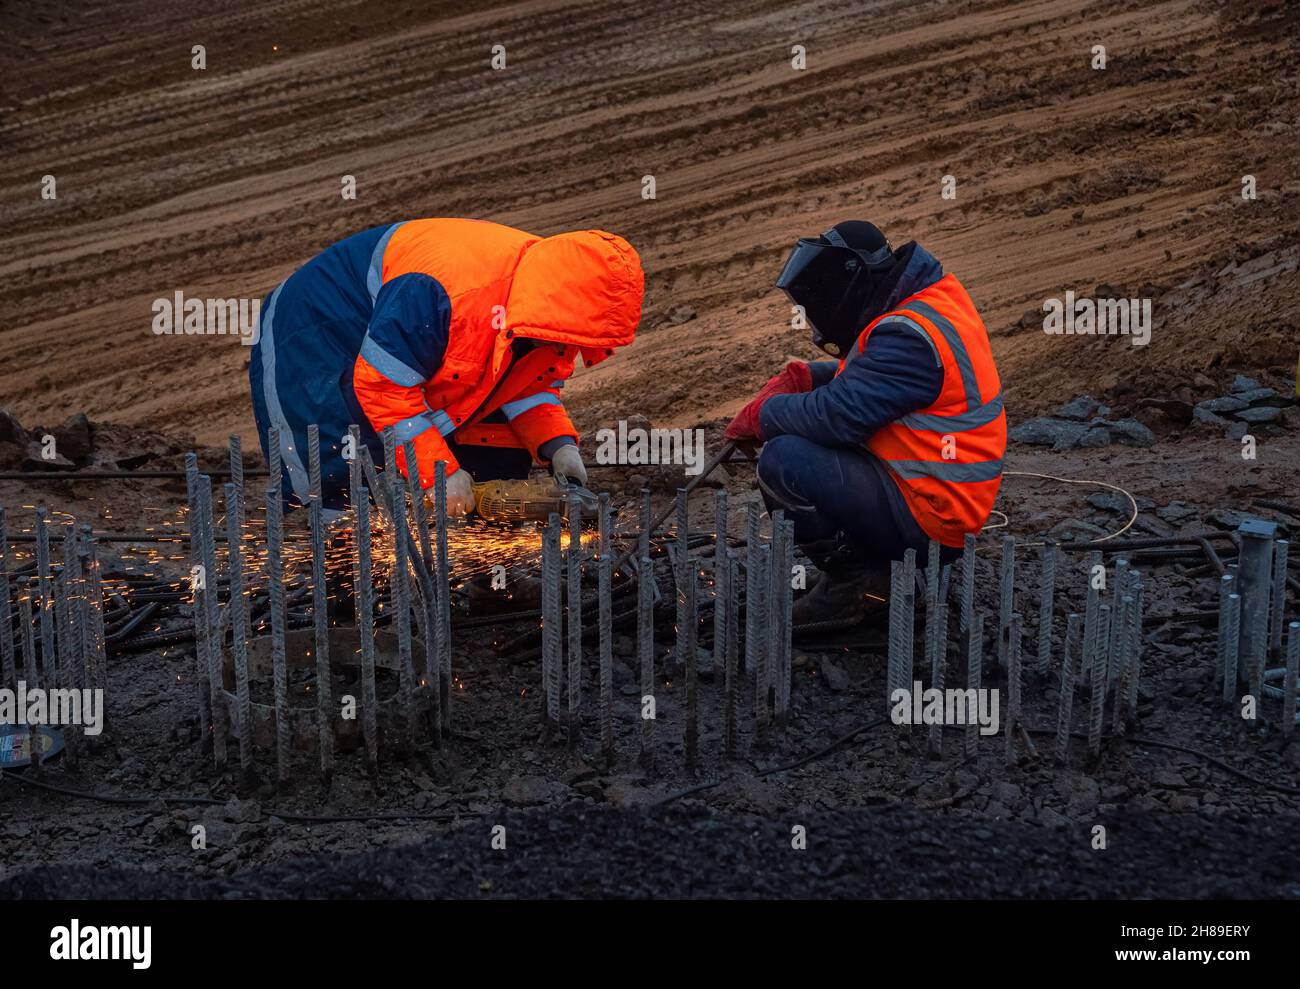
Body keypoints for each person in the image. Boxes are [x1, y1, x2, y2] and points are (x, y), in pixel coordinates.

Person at [249, 218, 644, 516]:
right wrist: (437, 474)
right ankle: (350, 586)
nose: (571, 349)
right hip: (315, 331)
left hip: (407, 332)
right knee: (345, 463)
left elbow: (524, 386)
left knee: (493, 455)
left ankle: (474, 570)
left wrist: (557, 445)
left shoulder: (551, 313)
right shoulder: (441, 296)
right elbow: (382, 388)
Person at [725, 221, 1006, 623]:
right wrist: (809, 376)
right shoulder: (924, 304)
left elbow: (836, 418)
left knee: (784, 461)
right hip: (932, 487)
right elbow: (870, 379)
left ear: (852, 280)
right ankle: (872, 570)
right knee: (798, 443)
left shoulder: (909, 337)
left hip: (933, 514)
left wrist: (763, 415)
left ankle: (856, 587)